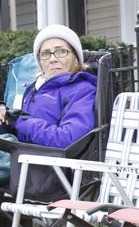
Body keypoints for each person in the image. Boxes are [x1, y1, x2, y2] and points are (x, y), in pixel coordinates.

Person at [0, 25, 96, 185]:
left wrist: (20, 120)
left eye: (61, 51)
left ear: (76, 58)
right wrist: (6, 118)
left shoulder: (83, 90)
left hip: (50, 174)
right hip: (23, 164)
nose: (52, 58)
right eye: (45, 54)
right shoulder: (35, 88)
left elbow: (68, 140)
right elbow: (23, 132)